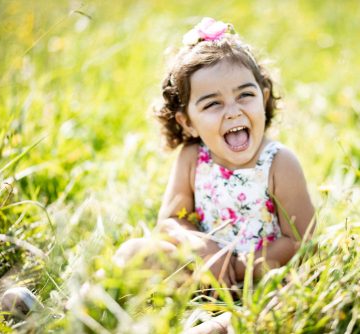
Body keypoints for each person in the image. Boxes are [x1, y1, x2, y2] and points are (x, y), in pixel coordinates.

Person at [115, 17, 315, 289]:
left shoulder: (279, 163)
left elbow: (301, 241)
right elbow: (170, 221)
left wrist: (238, 268)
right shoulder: (193, 158)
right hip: (203, 272)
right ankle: (79, 308)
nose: (233, 111)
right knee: (132, 253)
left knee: (268, 306)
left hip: (263, 282)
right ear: (188, 122)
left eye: (245, 95)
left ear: (263, 98)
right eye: (213, 104)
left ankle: (221, 326)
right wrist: (202, 246)